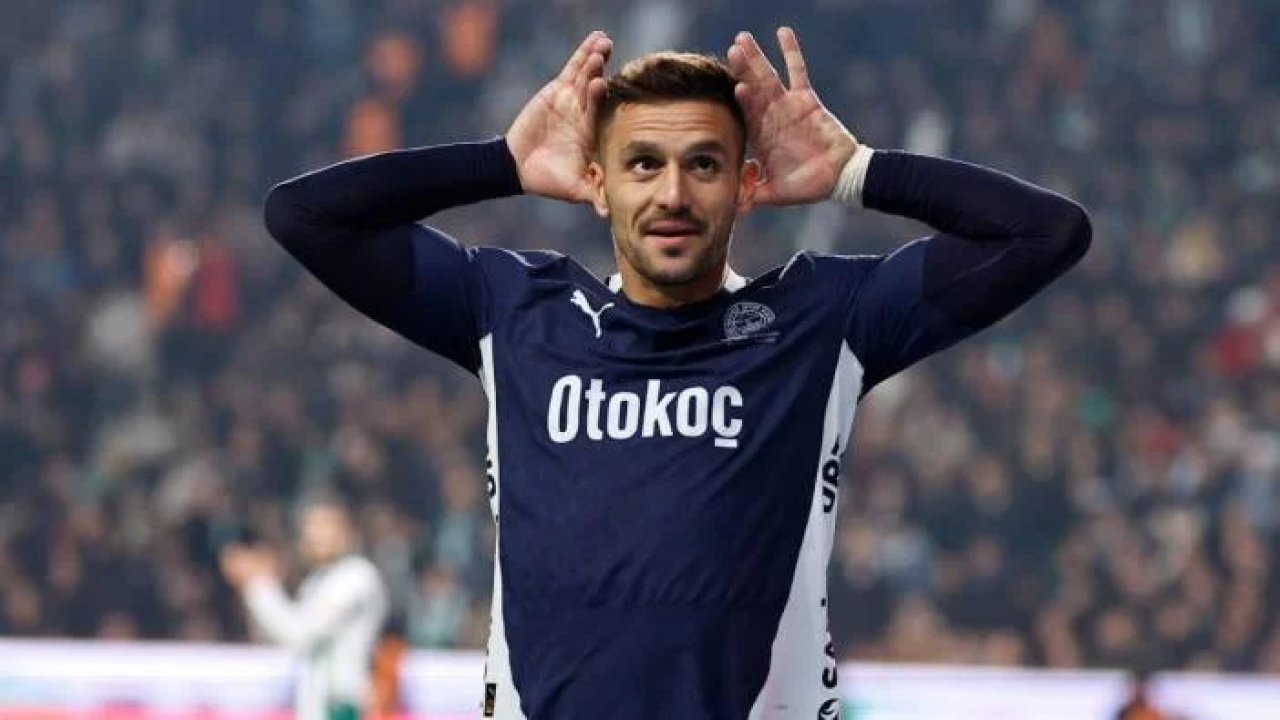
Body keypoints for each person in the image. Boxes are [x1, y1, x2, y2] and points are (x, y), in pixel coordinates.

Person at [262, 26, 1090, 720]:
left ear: (746, 185)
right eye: (642, 164)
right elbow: (304, 216)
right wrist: (499, 162)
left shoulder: (823, 319)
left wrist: (858, 171)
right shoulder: (514, 309)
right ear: (596, 184)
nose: (673, 194)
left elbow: (1046, 234)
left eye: (703, 164)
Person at [221, 498, 389, 720]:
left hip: (342, 707)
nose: (314, 534)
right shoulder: (315, 582)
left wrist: (259, 583)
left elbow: (300, 634)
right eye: (309, 526)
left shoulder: (356, 576)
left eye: (324, 525)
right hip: (315, 706)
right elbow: (281, 637)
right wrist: (257, 587)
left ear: (347, 532)